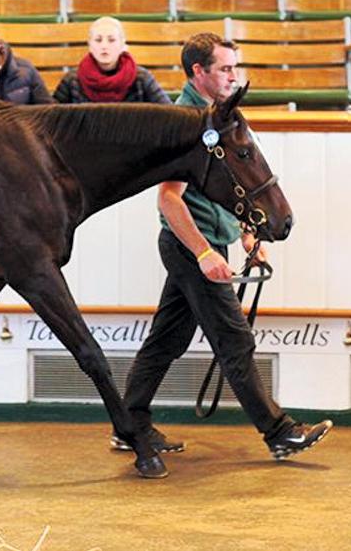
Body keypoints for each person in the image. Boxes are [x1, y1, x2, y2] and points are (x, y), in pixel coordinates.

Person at [112, 32, 332, 461]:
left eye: (236, 67)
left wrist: (247, 233)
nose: (234, 75)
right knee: (234, 339)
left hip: (206, 245)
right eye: (226, 68)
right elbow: (168, 199)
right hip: (191, 247)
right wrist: (204, 253)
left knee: (166, 341)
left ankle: (129, 424)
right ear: (199, 72)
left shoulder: (221, 116)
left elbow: (229, 186)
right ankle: (279, 432)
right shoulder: (185, 121)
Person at [53, 16, 170, 105]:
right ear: (90, 45)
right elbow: (52, 119)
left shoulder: (142, 78)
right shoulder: (72, 80)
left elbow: (169, 113)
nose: (104, 46)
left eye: (111, 40)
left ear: (122, 45)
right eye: (98, 40)